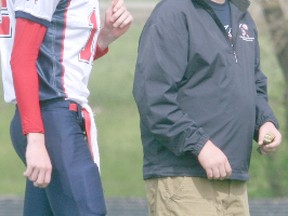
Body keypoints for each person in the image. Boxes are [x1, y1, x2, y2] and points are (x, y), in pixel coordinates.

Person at [132, 0, 281, 215]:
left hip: (235, 180)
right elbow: (153, 96)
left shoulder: (242, 15)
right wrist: (200, 145)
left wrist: (265, 122)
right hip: (184, 179)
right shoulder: (173, 12)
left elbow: (254, 84)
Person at [0, 0, 132, 215]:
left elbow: (57, 57)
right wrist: (35, 139)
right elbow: (22, 58)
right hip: (51, 119)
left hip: (47, 117)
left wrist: (105, 37)